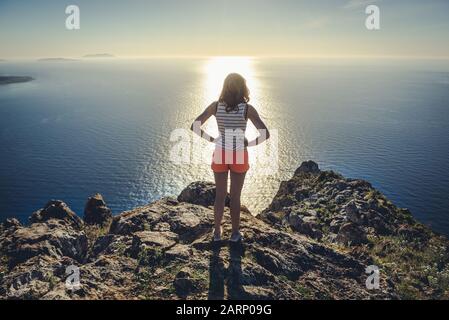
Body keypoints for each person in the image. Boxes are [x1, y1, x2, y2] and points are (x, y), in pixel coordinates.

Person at [191, 73, 270, 242]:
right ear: (243, 87)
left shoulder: (215, 106)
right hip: (239, 154)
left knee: (220, 196)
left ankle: (217, 233)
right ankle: (235, 234)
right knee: (235, 196)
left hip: (220, 152)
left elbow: (194, 126)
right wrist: (249, 144)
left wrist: (213, 139)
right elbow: (265, 134)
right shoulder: (247, 109)